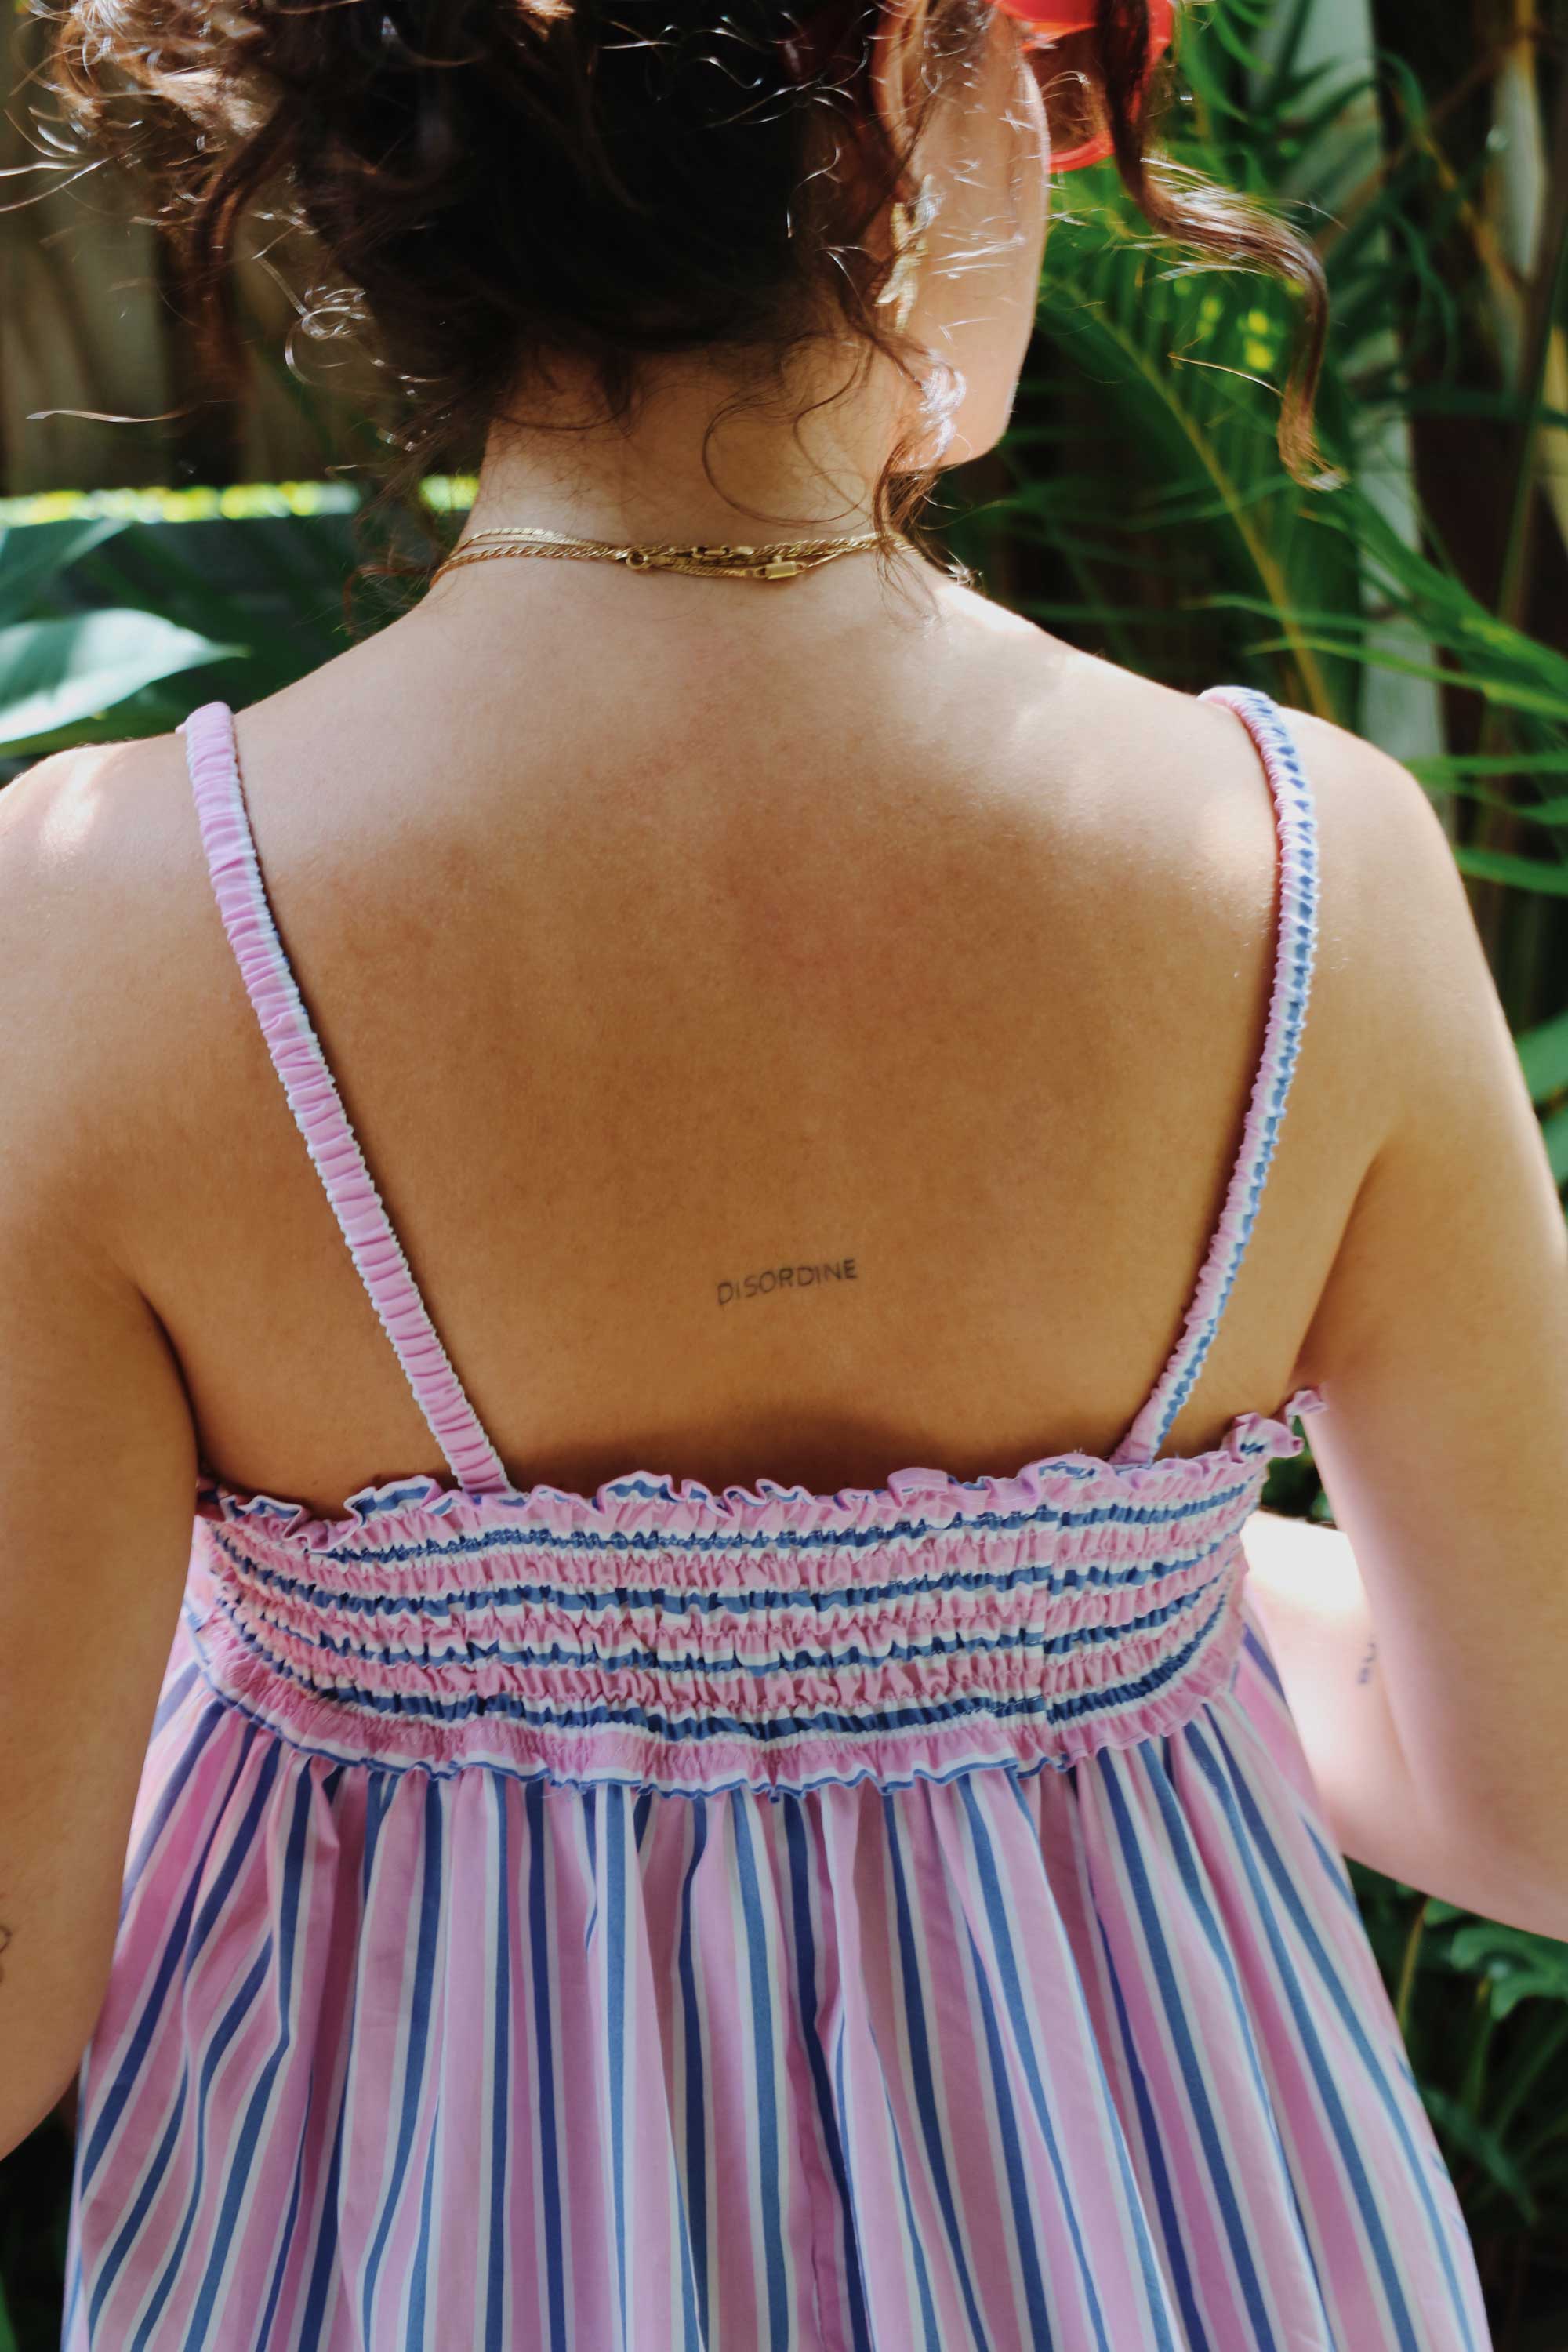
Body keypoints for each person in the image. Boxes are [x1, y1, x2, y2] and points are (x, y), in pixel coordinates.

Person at [0, 0, 1560, 2339]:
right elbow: (1530, 1789)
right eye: (1060, 57)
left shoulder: (113, 919)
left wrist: (348, 1687)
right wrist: (1072, 1607)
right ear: (903, 112)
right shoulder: (1304, 874)